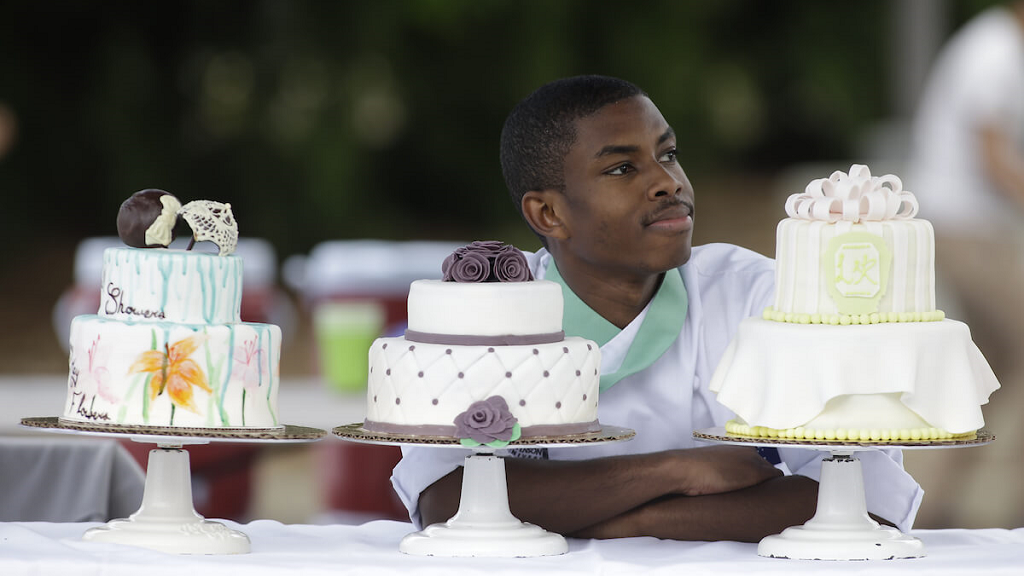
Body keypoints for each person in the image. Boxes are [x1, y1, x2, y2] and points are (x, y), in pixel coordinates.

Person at [392, 75, 922, 541]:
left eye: (667, 154)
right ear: (549, 213)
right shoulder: (482, 313)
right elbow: (445, 500)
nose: (669, 181)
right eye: (623, 168)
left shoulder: (762, 298)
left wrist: (631, 524)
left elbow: (861, 501)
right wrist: (675, 471)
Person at [906, 1, 1024, 528]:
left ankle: (931, 501)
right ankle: (994, 506)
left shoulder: (1004, 47)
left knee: (984, 367)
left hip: (976, 227)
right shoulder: (992, 50)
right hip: (967, 227)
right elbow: (992, 156)